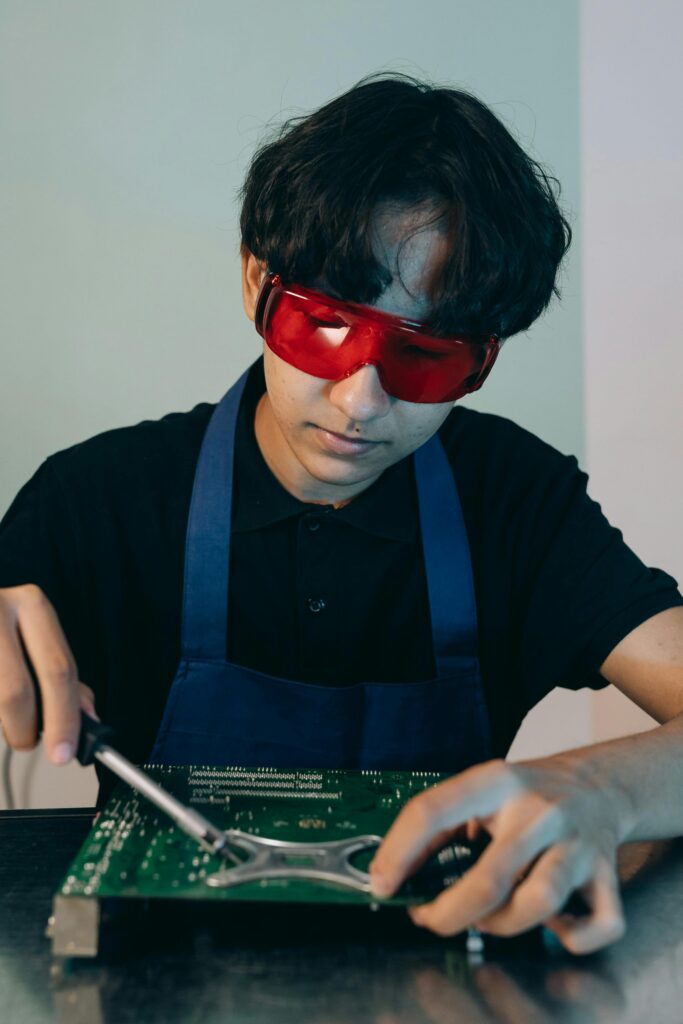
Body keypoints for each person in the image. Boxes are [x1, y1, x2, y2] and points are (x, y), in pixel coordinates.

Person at [1, 71, 682, 956]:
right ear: (257, 284)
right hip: (147, 982)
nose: (360, 403)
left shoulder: (514, 500)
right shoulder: (97, 498)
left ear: (483, 361)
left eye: (424, 356)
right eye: (324, 327)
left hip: (447, 977)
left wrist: (605, 790)